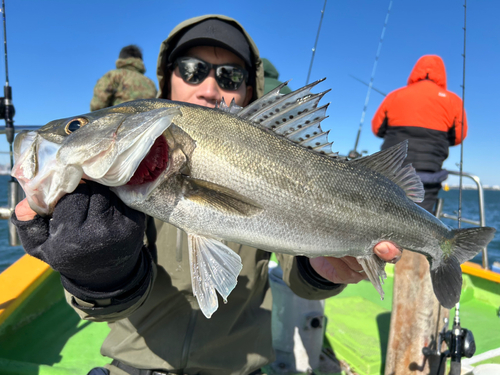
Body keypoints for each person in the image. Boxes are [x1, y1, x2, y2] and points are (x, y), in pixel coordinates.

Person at [13, 15, 401, 375]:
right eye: (192, 70)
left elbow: (299, 274)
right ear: (166, 82)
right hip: (133, 365)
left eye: (231, 76)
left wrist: (319, 272)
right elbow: (101, 308)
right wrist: (99, 275)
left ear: (251, 89)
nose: (210, 87)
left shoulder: (267, 148)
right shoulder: (115, 174)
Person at [371, 55, 467, 213]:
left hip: (389, 171)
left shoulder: (394, 96)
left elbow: (377, 129)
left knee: (381, 219)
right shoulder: (453, 101)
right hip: (427, 176)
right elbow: (458, 137)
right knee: (419, 220)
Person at [90, 44, 157, 111]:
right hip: (146, 120)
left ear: (120, 59)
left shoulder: (113, 75)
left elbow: (97, 106)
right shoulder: (150, 83)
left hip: (120, 120)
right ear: (140, 61)